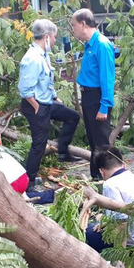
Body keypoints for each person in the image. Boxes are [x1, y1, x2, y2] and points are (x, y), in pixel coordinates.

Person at [18, 19, 81, 192]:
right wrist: (35, 105)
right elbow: (25, 89)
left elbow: (46, 81)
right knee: (39, 144)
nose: (55, 40)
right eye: (54, 37)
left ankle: (63, 151)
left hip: (47, 102)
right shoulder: (32, 58)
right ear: (46, 37)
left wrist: (55, 97)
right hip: (36, 105)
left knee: (72, 116)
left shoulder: (43, 55)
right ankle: (28, 182)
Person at [71, 8, 116, 179]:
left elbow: (107, 78)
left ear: (83, 24)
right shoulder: (89, 45)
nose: (73, 29)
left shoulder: (102, 44)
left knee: (101, 143)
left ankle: (105, 178)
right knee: (93, 142)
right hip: (89, 96)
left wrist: (104, 105)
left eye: (74, 25)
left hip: (97, 97)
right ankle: (96, 177)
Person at [84, 147, 134, 253]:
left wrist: (120, 254)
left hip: (127, 240)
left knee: (84, 232)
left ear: (101, 171)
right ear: (123, 164)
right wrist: (105, 223)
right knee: (95, 225)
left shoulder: (110, 184)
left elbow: (121, 222)